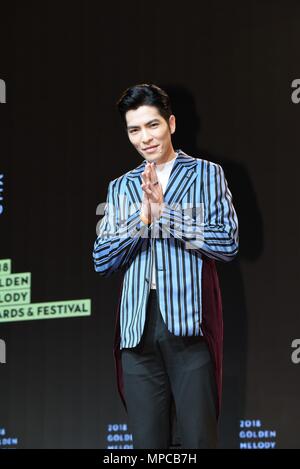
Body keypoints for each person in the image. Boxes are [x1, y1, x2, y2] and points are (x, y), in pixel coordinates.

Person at [93, 83, 239, 449]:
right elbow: (102, 259)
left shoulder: (207, 174)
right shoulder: (121, 188)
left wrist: (168, 216)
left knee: (198, 439)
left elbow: (228, 242)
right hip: (137, 332)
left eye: (152, 125)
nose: (145, 138)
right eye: (134, 130)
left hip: (190, 328)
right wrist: (141, 222)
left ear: (171, 124)